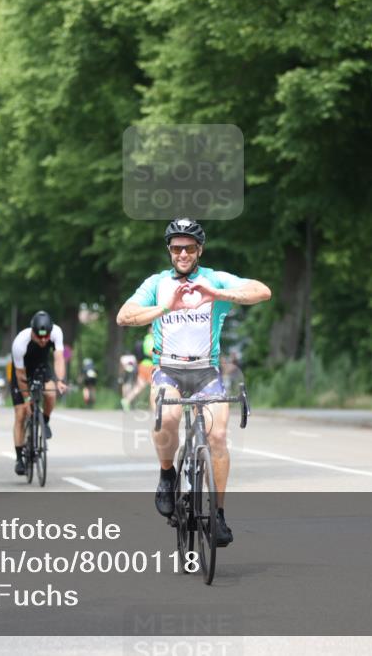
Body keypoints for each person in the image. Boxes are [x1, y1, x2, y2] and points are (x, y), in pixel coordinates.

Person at [116, 218, 271, 547]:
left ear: (199, 249)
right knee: (168, 417)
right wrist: (163, 307)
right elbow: (124, 316)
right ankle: (167, 473)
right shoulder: (157, 284)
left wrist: (216, 293)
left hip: (206, 373)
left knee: (217, 436)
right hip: (167, 370)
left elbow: (262, 291)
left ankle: (218, 514)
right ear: (169, 251)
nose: (182, 253)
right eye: (176, 248)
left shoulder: (213, 278)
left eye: (189, 247)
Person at [9, 311, 67, 476]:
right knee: (20, 414)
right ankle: (19, 457)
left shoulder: (56, 332)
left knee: (50, 393)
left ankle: (45, 421)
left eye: (45, 337)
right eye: (39, 337)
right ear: (32, 332)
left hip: (41, 366)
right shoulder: (20, 342)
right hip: (22, 371)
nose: (43, 341)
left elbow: (59, 358)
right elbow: (20, 376)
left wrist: (60, 380)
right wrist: (27, 400)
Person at [121, 331, 154, 411]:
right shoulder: (150, 339)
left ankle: (127, 400)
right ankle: (153, 407)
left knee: (140, 386)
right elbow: (149, 352)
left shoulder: (147, 339)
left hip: (144, 365)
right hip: (149, 366)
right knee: (154, 387)